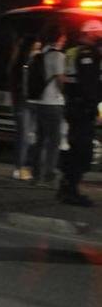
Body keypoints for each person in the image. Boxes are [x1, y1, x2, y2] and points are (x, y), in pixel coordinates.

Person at [57, 21, 102, 205]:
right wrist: (97, 109)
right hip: (83, 108)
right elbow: (90, 85)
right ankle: (71, 190)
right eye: (98, 32)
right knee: (82, 150)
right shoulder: (87, 53)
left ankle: (67, 187)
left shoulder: (72, 51)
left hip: (74, 106)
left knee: (75, 147)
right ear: (91, 33)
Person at [29, 24, 67, 186]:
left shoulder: (38, 54)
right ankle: (49, 174)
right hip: (53, 102)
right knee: (54, 140)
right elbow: (59, 79)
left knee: (40, 139)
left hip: (38, 101)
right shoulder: (58, 56)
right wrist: (66, 92)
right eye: (63, 37)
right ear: (59, 38)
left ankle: (36, 174)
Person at [8, 34, 41, 181]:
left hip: (32, 101)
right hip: (25, 102)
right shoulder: (23, 63)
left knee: (30, 136)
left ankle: (26, 167)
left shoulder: (26, 62)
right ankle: (20, 168)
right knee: (24, 136)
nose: (37, 50)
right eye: (36, 47)